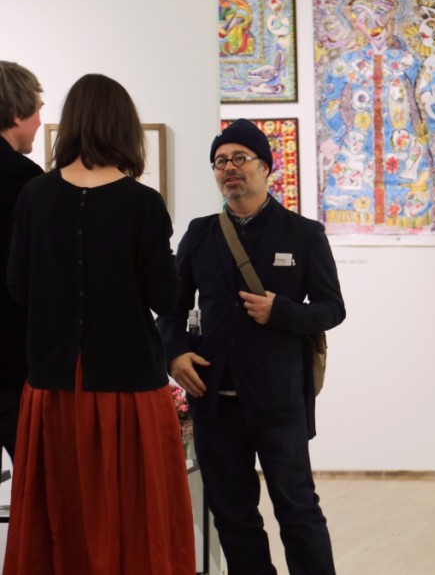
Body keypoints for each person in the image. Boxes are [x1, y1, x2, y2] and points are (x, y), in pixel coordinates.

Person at [4, 73, 194, 574]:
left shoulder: (36, 196)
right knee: (133, 514)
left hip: (54, 384)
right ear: (123, 128)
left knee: (60, 516)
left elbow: (19, 289)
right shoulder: (142, 203)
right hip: (128, 387)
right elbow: (165, 296)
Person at [157, 119, 345, 575]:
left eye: (240, 158)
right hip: (214, 403)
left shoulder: (303, 234)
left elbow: (331, 309)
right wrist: (175, 353)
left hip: (279, 401)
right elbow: (171, 308)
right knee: (234, 516)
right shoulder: (200, 234)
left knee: (297, 510)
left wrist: (280, 311)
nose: (229, 169)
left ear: (266, 168)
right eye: (221, 161)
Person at [0, 61, 44, 459]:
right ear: (16, 113)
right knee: (36, 489)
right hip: (14, 362)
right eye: (37, 109)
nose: (40, 122)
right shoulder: (28, 181)